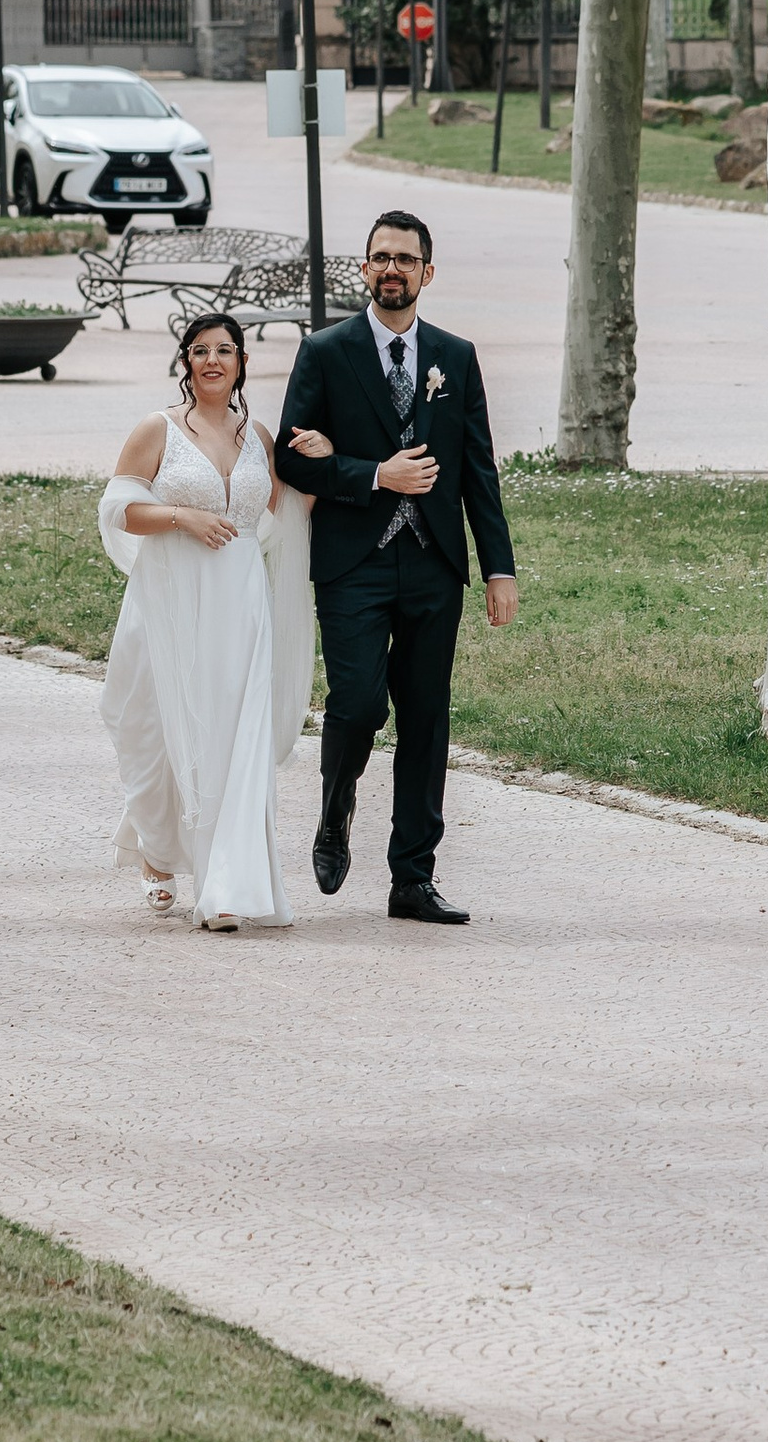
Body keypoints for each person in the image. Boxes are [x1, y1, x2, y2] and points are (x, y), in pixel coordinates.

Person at [281, 209, 516, 923]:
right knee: (356, 704)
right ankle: (336, 803)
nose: (392, 269)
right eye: (380, 257)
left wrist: (498, 568)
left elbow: (479, 470)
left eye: (405, 259)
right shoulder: (325, 352)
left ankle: (412, 877)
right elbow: (290, 458)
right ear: (364, 269)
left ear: (426, 273)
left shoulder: (456, 355)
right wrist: (374, 474)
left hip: (433, 565)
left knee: (426, 720)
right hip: (354, 562)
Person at [98, 312, 316, 932]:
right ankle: (158, 850)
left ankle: (226, 882)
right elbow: (120, 509)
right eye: (201, 351)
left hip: (240, 602)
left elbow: (289, 507)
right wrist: (181, 516)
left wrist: (323, 458)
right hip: (169, 598)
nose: (213, 360)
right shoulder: (157, 429)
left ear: (242, 363)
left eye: (225, 350)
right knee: (161, 731)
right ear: (186, 362)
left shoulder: (260, 437)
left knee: (235, 734)